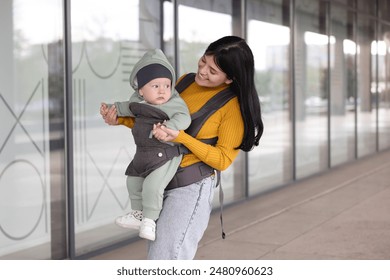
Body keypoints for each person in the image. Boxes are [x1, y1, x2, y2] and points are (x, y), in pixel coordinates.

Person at [102, 36, 264, 259]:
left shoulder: (232, 108)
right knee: (159, 257)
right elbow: (153, 121)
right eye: (203, 61)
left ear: (229, 79)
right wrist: (118, 120)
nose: (203, 71)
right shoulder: (184, 82)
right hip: (159, 177)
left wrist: (181, 137)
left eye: (213, 71)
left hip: (190, 187)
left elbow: (223, 160)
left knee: (165, 258)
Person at [100, 49, 191, 241]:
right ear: (141, 90)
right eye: (155, 85)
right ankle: (138, 214)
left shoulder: (174, 103)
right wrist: (110, 108)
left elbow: (184, 118)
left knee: (152, 186)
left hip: (165, 154)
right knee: (133, 181)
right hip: (142, 154)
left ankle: (150, 221)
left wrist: (169, 127)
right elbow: (124, 107)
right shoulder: (137, 103)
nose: (162, 90)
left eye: (167, 85)